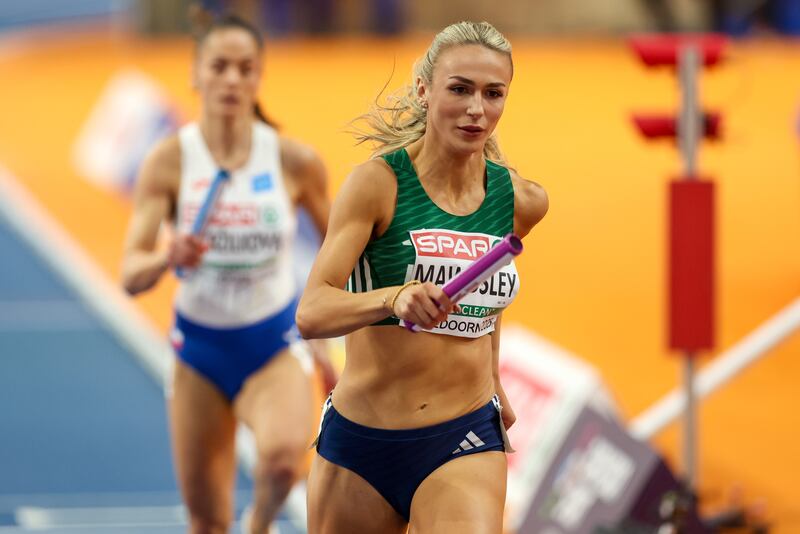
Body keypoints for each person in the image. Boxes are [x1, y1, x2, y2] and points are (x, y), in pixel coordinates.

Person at [296, 20, 548, 534]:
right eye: (460, 89)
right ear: (423, 90)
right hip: (361, 443)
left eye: (493, 93)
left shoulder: (521, 201)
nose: (477, 109)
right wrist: (393, 298)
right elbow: (312, 312)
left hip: (464, 436)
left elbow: (485, 294)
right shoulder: (377, 185)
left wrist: (494, 376)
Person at [121, 12, 331, 534]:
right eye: (219, 67)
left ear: (259, 77)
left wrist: (329, 336)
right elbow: (130, 274)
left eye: (245, 68)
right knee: (207, 521)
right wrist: (168, 255)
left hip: (273, 341)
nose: (233, 79)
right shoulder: (169, 161)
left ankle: (259, 522)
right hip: (199, 351)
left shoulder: (295, 161)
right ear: (196, 74)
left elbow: (343, 252)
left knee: (283, 462)